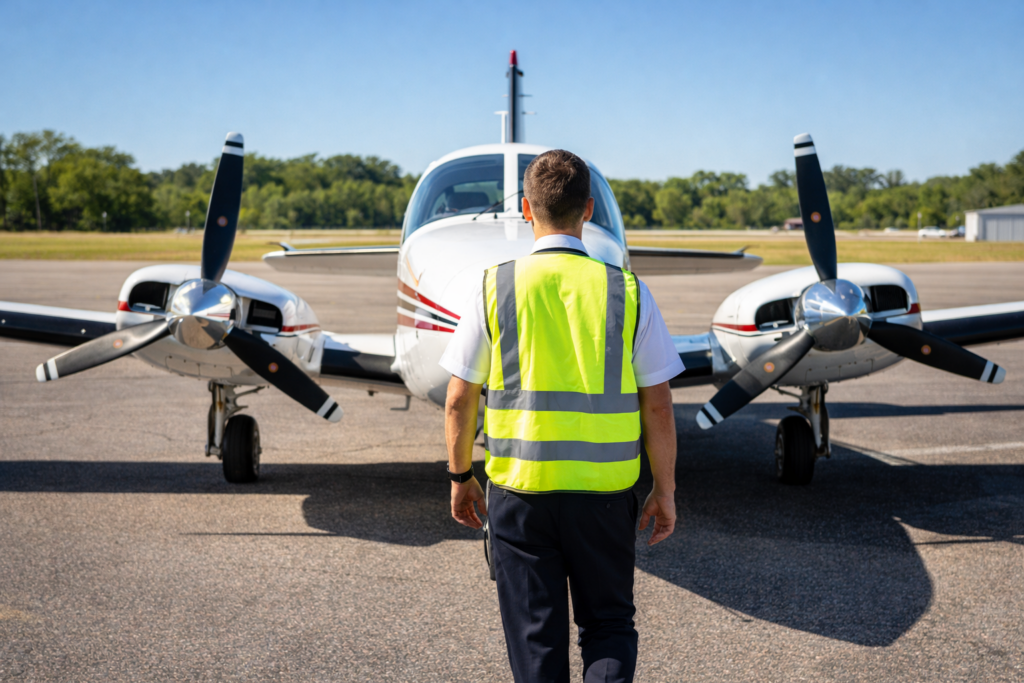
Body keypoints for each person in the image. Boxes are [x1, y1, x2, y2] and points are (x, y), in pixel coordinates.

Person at [440, 150, 681, 683]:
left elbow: (460, 398)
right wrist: (663, 489)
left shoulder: (493, 287)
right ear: (589, 209)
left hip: (521, 497)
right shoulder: (628, 291)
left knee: (535, 639)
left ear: (527, 209)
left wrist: (460, 477)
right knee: (609, 626)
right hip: (605, 496)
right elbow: (659, 405)